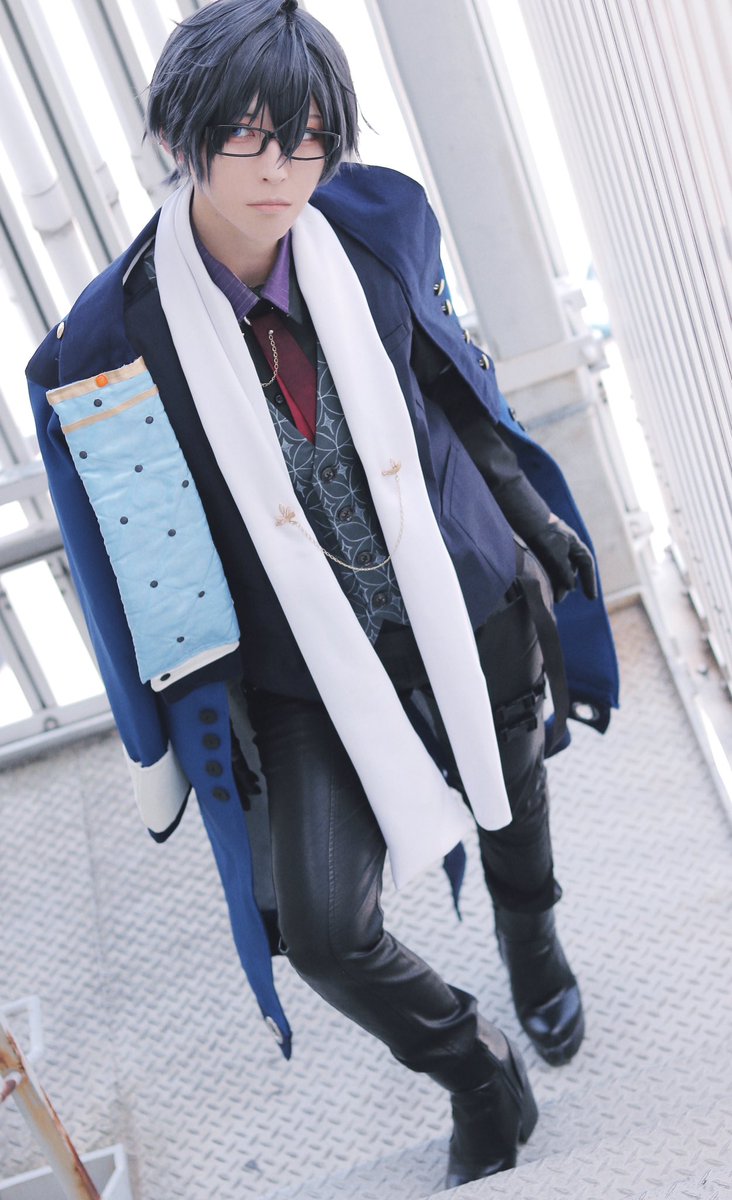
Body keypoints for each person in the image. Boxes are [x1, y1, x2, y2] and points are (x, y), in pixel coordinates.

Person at [26, 0, 618, 1186]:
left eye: (305, 140)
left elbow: (456, 387)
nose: (280, 172)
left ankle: (533, 942)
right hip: (297, 656)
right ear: (177, 139)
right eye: (248, 138)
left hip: (460, 582)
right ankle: (474, 1066)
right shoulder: (111, 340)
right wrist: (177, 719)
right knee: (322, 929)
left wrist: (532, 522)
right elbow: (135, 552)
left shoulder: (376, 223)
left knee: (512, 789)